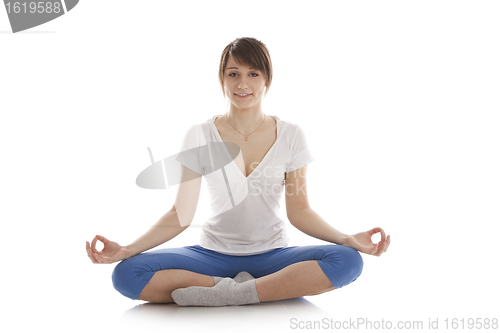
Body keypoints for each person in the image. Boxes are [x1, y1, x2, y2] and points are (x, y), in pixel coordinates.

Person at [86, 37, 390, 306]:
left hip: (273, 255)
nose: (242, 84)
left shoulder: (291, 135)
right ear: (222, 79)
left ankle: (232, 294)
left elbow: (300, 210)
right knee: (126, 274)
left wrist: (346, 238)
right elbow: (181, 213)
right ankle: (257, 291)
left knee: (348, 261)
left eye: (252, 74)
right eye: (234, 74)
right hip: (211, 255)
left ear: (267, 80)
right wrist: (127, 249)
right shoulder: (200, 134)